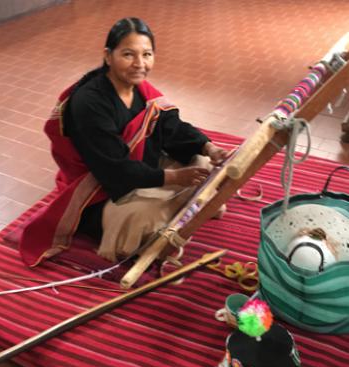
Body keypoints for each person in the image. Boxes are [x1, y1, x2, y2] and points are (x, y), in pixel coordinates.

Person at [19, 17, 229, 267]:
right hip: (100, 190)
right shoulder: (89, 103)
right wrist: (175, 178)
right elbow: (114, 169)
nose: (140, 64)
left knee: (202, 161)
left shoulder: (141, 90)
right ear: (108, 56)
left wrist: (209, 147)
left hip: (139, 170)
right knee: (142, 219)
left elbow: (172, 127)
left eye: (147, 54)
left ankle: (184, 203)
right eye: (128, 55)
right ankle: (186, 207)